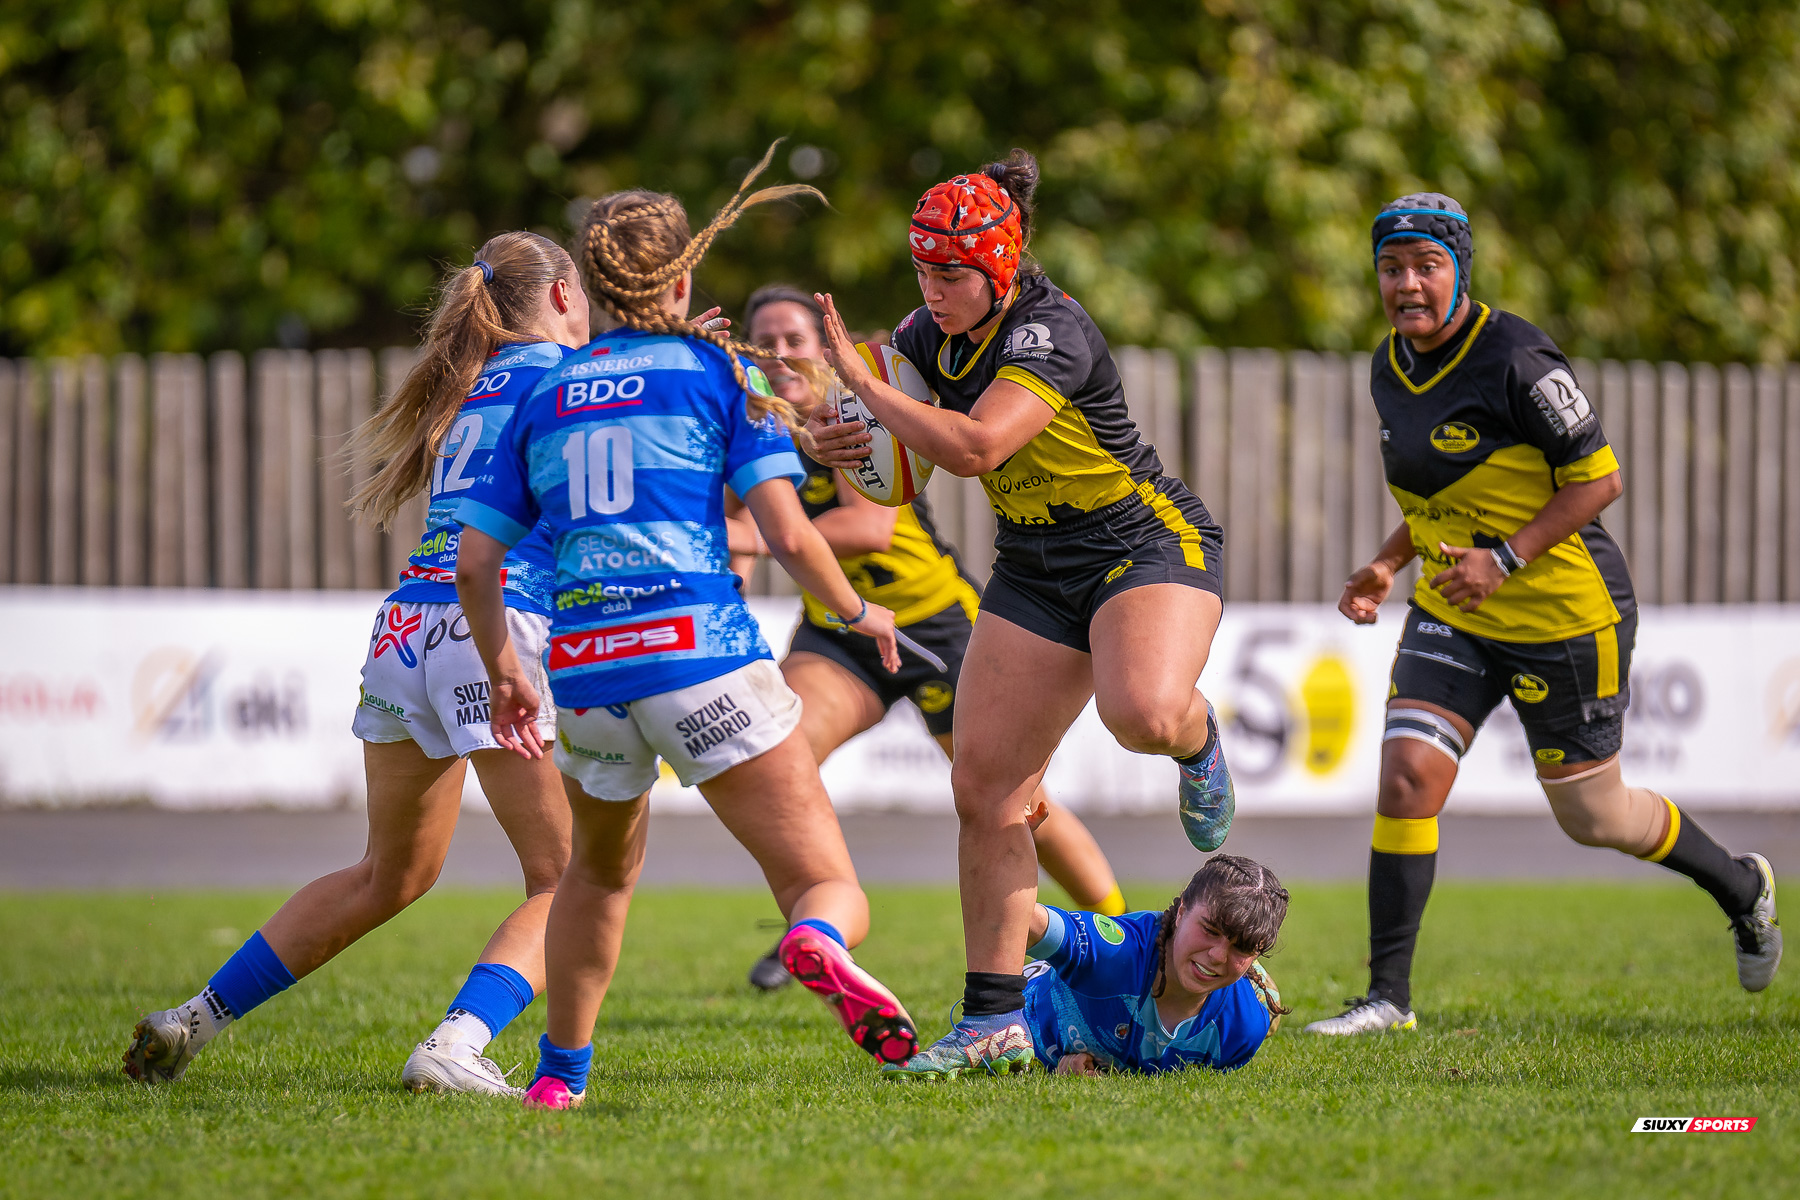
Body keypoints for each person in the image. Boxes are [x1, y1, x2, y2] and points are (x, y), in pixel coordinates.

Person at [451, 149, 921, 1111]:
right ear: (681, 277)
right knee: (824, 885)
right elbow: (788, 533)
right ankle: (814, 946)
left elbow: (474, 563)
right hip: (700, 657)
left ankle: (557, 1076)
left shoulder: (544, 389)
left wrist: (505, 665)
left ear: (591, 286)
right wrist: (860, 610)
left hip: (583, 674)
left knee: (596, 878)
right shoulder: (722, 371)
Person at [123, 231, 592, 1094]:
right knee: (569, 880)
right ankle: (456, 1045)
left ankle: (192, 1019)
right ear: (563, 294)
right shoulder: (573, 377)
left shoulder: (469, 384)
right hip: (493, 626)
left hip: (406, 626)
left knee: (390, 872)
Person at [1305, 194, 1782, 1036]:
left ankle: (1742, 886)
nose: (1407, 285)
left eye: (1426, 267)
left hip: (1565, 615)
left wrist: (1506, 559)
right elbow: (1435, 493)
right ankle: (1387, 999)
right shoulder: (1389, 365)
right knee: (1408, 775)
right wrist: (1388, 562)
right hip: (1457, 608)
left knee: (1596, 818)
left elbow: (1600, 482)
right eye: (1391, 268)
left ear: (1460, 271)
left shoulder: (1519, 358)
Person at [806, 151, 1236, 1079]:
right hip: (1036, 566)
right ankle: (992, 1020)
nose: (934, 289)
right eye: (922, 271)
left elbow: (975, 445)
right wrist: (836, 434)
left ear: (1001, 265)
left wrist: (866, 386)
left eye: (952, 273)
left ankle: (1199, 741)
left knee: (1144, 716)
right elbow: (887, 454)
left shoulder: (1052, 329)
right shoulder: (927, 335)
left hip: (1143, 542)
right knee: (986, 789)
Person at [728, 284, 1129, 992]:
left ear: (827, 349)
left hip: (938, 628)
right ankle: (815, 929)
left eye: (795, 338)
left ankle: (1119, 935)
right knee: (774, 762)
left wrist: (752, 538)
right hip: (842, 633)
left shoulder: (854, 412)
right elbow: (733, 531)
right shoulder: (757, 429)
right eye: (765, 342)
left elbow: (868, 526)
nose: (781, 353)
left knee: (1017, 803)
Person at [933, 854, 1289, 1079]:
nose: (1216, 955)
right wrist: (1007, 850)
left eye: (1241, 947)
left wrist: (1087, 1066)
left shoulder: (1242, 1029)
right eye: (1209, 931)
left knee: (1262, 1009)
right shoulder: (1114, 954)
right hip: (1035, 1004)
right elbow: (1014, 914)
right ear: (1181, 913)